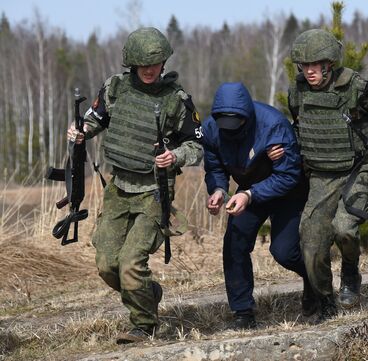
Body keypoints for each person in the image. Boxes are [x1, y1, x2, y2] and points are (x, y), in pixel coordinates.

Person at [67, 27, 203, 343]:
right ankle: (148, 292)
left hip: (155, 191)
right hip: (119, 188)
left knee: (130, 265)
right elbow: (94, 119)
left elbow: (196, 146)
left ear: (163, 63)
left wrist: (175, 156)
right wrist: (80, 131)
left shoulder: (177, 100)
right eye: (143, 64)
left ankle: (144, 324)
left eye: (155, 64)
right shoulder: (114, 89)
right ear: (132, 63)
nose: (149, 69)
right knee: (106, 264)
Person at [287, 29, 368, 323]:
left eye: (316, 65)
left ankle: (351, 271)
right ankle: (326, 302)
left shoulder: (359, 88)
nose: (310, 71)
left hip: (358, 168)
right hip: (321, 177)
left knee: (344, 228)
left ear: (330, 63)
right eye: (304, 66)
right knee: (311, 245)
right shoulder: (297, 93)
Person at [201, 82, 314, 329]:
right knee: (234, 244)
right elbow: (215, 167)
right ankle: (243, 311)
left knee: (284, 252)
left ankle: (315, 282)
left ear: (247, 117)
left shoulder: (273, 125)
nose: (230, 129)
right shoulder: (210, 129)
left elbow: (288, 176)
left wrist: (249, 195)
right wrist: (219, 190)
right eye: (224, 124)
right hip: (248, 190)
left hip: (286, 192)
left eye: (236, 123)